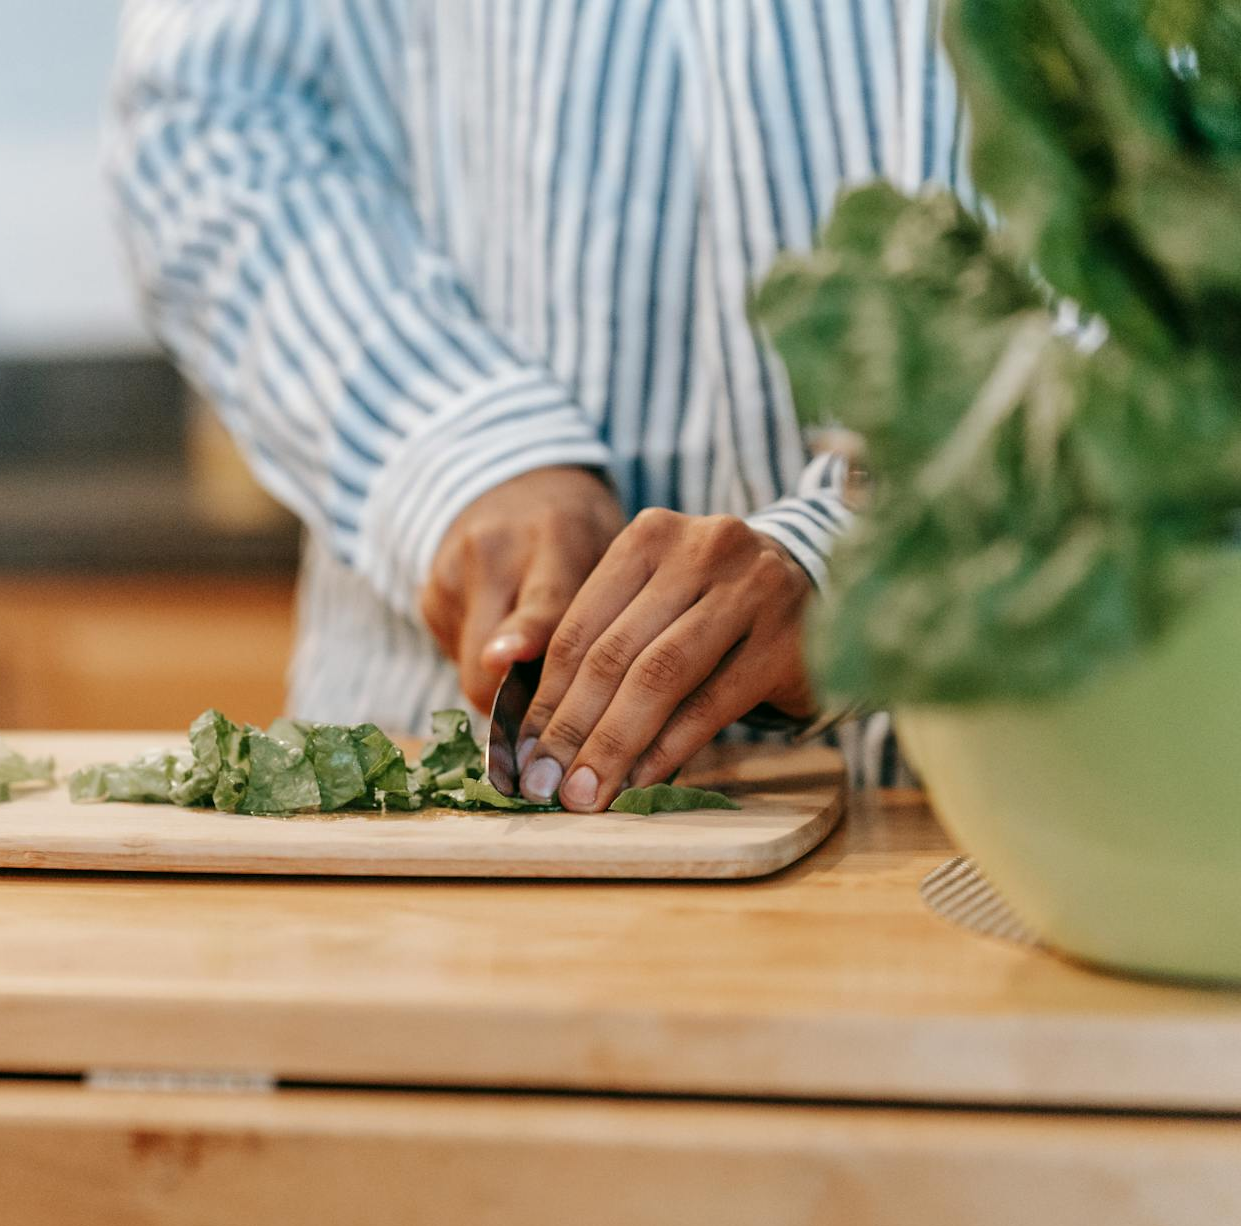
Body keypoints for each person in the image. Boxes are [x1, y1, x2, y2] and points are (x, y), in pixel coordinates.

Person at [107, 0, 964, 802]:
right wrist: (460, 447)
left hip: (995, 788)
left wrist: (866, 553)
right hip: (421, 795)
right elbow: (208, 123)